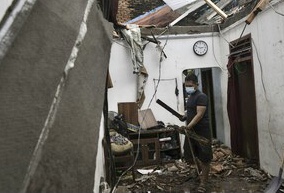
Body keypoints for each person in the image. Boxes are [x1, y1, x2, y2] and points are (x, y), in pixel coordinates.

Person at [179, 73, 213, 193]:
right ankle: (200, 173)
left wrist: (188, 126)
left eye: (190, 85)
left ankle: (203, 182)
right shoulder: (190, 97)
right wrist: (185, 116)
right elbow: (191, 111)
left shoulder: (201, 96)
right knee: (189, 155)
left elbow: (199, 114)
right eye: (186, 85)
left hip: (202, 131)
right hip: (191, 131)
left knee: (205, 158)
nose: (188, 87)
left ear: (196, 84)